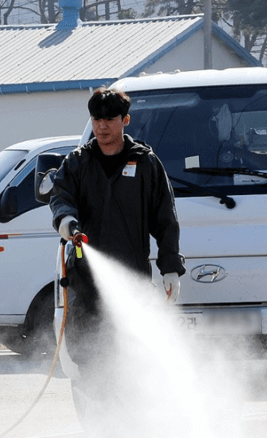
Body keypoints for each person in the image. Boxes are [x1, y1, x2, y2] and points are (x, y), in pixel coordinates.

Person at [49, 87, 185, 379]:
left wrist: (170, 267)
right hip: (86, 280)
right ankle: (99, 415)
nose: (101, 126)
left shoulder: (146, 163)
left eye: (109, 119)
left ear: (125, 120)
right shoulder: (77, 163)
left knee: (132, 355)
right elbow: (60, 198)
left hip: (131, 278)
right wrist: (67, 222)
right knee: (89, 355)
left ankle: (134, 415)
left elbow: (165, 218)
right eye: (96, 119)